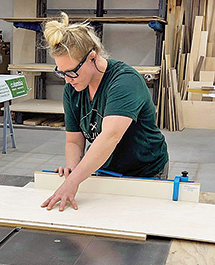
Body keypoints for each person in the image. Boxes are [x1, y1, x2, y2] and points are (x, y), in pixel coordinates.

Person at [41, 12, 169, 212]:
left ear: (92, 57)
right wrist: (72, 169)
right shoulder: (72, 88)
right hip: (106, 168)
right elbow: (74, 140)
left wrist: (72, 182)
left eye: (72, 71)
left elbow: (110, 136)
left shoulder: (124, 81)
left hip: (145, 170)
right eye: (61, 72)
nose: (67, 79)